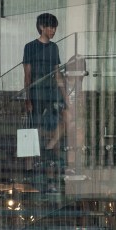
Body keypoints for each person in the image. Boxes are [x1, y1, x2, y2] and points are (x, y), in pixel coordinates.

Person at [23, 12, 77, 166]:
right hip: (37, 91)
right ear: (42, 27)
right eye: (51, 27)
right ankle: (31, 163)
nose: (53, 31)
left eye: (55, 28)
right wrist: (27, 98)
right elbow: (27, 74)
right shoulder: (30, 47)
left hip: (52, 91)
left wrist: (66, 97)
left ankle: (50, 146)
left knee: (67, 115)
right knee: (35, 126)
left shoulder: (54, 47)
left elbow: (57, 74)